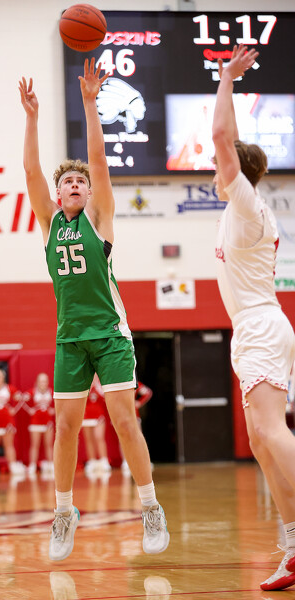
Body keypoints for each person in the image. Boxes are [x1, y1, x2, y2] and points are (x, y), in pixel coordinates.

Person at [19, 57, 169, 561]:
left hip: (109, 334)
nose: (75, 185)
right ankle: (64, 513)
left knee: (125, 421)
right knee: (65, 429)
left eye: (80, 182)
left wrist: (89, 103)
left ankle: (150, 507)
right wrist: (33, 118)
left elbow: (99, 161)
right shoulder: (49, 223)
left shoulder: (99, 219)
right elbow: (31, 171)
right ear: (58, 193)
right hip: (70, 337)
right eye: (67, 182)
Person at [212, 44, 295, 592]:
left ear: (237, 172)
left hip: (262, 325)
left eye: (223, 164)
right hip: (252, 330)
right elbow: (231, 145)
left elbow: (223, 137)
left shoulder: (245, 204)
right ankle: (294, 546)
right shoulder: (239, 206)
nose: (216, 166)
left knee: (269, 430)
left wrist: (227, 79)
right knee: (261, 442)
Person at [23, 372, 55, 477]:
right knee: (35, 445)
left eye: (45, 381)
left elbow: (60, 403)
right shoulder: (33, 391)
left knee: (49, 445)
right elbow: (22, 399)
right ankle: (32, 465)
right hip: (35, 422)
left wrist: (54, 410)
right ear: (37, 382)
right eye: (41, 381)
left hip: (48, 422)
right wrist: (29, 410)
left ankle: (51, 465)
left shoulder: (51, 392)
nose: (43, 383)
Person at [121, 381, 153, 476]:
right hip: (121, 415)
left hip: (135, 415)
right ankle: (125, 461)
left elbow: (148, 392)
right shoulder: (118, 384)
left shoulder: (135, 383)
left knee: (138, 437)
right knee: (122, 438)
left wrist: (139, 402)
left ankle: (143, 461)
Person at [81, 374, 110, 477]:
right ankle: (92, 462)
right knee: (89, 439)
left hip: (99, 416)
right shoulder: (84, 384)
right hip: (86, 416)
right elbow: (81, 400)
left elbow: (105, 398)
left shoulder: (101, 385)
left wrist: (96, 388)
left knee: (99, 438)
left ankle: (104, 461)